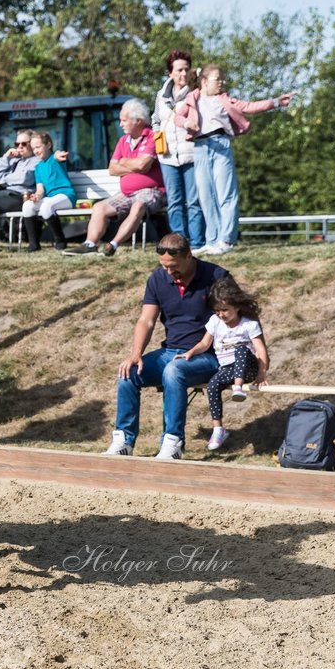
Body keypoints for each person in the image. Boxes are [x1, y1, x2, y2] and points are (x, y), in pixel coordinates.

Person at [104, 234, 232, 460]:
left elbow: (236, 318)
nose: (169, 272)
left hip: (209, 355)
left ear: (189, 256)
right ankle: (123, 439)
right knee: (128, 371)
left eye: (174, 267)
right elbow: (147, 320)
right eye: (164, 267)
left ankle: (173, 442)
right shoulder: (157, 279)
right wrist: (135, 354)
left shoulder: (217, 277)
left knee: (175, 370)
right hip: (171, 351)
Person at [174, 65, 296, 255]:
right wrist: (187, 123)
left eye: (222, 79)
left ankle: (226, 240)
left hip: (220, 144)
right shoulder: (193, 98)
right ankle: (212, 240)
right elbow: (177, 118)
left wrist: (276, 102)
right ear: (205, 81)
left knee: (226, 194)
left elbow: (249, 106)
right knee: (206, 196)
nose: (221, 82)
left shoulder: (225, 99)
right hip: (200, 147)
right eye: (217, 79)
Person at [63, 98, 167, 258]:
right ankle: (90, 245)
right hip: (126, 193)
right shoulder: (123, 140)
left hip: (151, 191)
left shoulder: (152, 137)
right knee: (99, 208)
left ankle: (112, 245)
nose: (120, 124)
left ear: (138, 121)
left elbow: (143, 165)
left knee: (138, 206)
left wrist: (124, 162)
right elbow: (112, 169)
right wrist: (133, 164)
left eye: (124, 120)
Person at [175, 277, 269, 451]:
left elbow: (261, 350)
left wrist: (262, 372)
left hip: (247, 367)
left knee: (240, 350)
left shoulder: (249, 325)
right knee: (213, 384)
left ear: (237, 306)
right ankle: (218, 429)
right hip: (228, 369)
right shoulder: (215, 321)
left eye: (225, 310)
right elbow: (204, 344)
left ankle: (238, 388)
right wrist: (190, 353)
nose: (221, 314)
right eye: (217, 310)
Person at [153, 50, 202, 248]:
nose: (183, 74)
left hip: (191, 154)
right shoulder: (161, 95)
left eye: (187, 69)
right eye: (179, 70)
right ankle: (178, 244)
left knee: (194, 201)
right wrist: (158, 144)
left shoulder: (196, 92)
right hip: (167, 156)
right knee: (174, 201)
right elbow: (155, 120)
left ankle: (198, 242)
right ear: (170, 73)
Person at [21, 131, 75, 252]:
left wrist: (58, 154)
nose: (35, 151)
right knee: (27, 206)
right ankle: (34, 244)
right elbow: (40, 189)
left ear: (49, 145)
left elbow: (57, 155)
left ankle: (60, 240)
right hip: (50, 198)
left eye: (38, 147)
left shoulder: (55, 159)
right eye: (33, 148)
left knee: (46, 207)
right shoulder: (38, 168)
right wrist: (37, 196)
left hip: (66, 196)